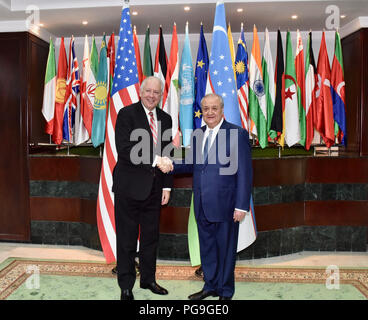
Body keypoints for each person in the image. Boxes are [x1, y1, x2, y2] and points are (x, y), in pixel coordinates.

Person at [158, 93, 253, 300]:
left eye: (214, 108)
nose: (209, 112)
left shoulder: (237, 134)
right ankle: (210, 286)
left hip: (227, 206)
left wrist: (241, 206)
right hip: (201, 204)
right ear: (202, 111)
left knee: (226, 251)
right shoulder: (198, 134)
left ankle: (226, 292)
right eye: (206, 108)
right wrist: (170, 165)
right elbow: (193, 164)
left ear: (221, 110)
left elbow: (245, 173)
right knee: (207, 248)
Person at [113, 76, 173, 300]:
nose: (151, 95)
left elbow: (168, 153)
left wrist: (167, 187)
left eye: (156, 92)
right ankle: (126, 285)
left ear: (161, 95)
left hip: (155, 190)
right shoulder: (126, 114)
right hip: (128, 187)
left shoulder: (165, 119)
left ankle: (148, 280)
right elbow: (125, 149)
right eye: (148, 91)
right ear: (141, 92)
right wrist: (156, 160)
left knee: (151, 238)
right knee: (127, 239)